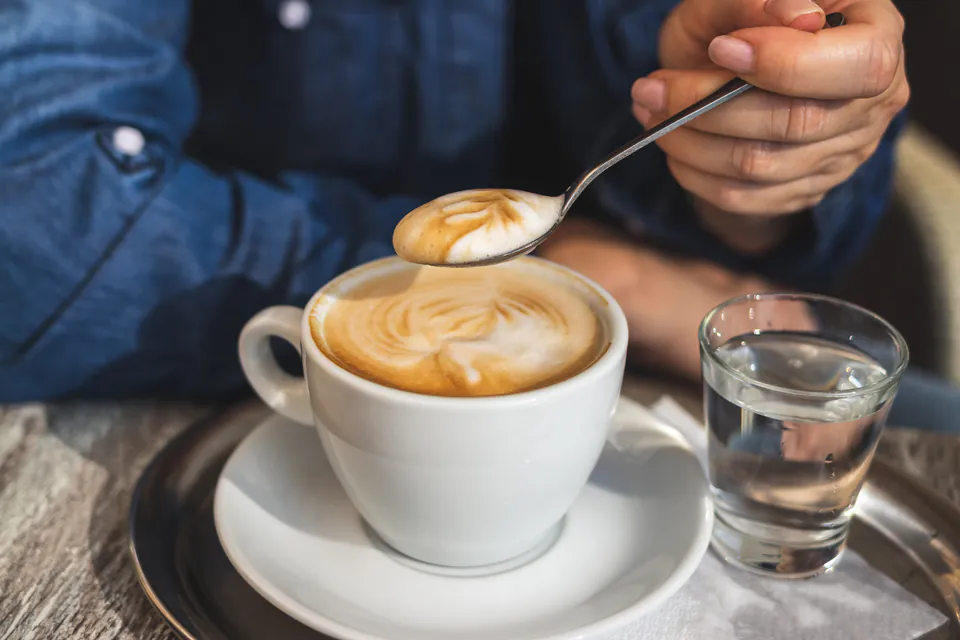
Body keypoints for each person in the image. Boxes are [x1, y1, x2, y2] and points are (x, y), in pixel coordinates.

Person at [0, 0, 910, 402]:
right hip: (201, 389)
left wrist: (758, 150)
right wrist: (602, 274)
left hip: (655, 365)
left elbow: (779, 221)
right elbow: (34, 214)